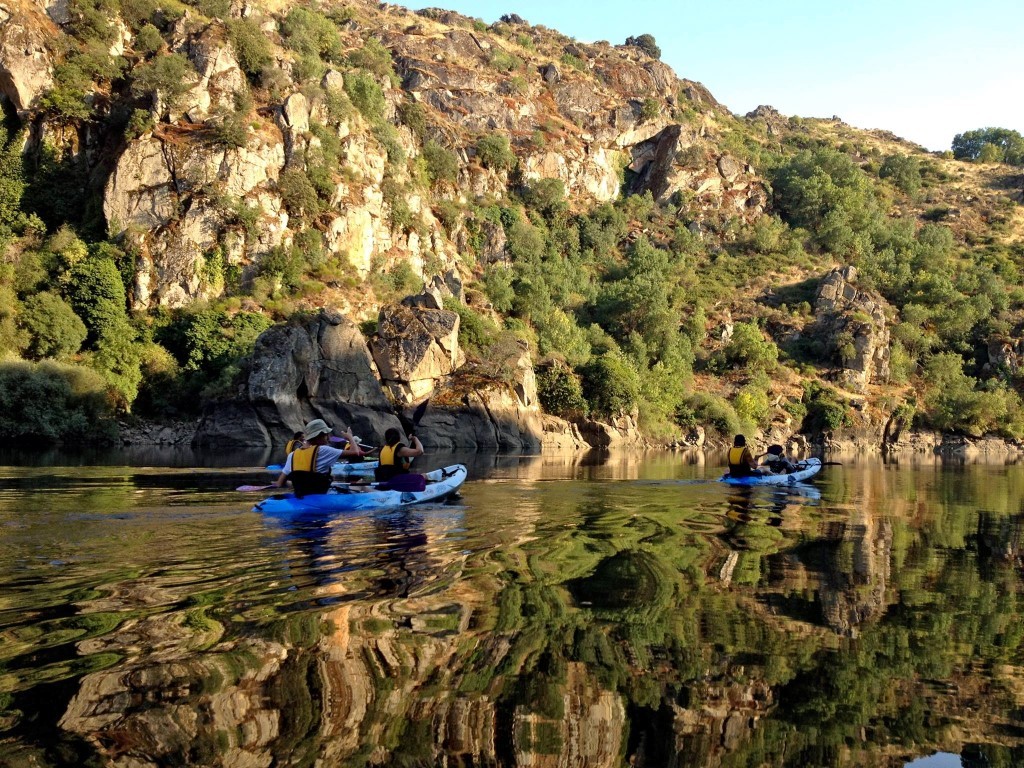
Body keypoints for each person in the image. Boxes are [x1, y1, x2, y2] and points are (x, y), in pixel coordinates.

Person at [274, 419, 365, 496]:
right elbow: (355, 452)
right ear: (319, 436)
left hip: (301, 495)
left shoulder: (292, 454)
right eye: (326, 435)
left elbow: (279, 483)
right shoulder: (323, 450)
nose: (328, 437)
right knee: (360, 484)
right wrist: (350, 438)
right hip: (320, 495)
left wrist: (291, 483)